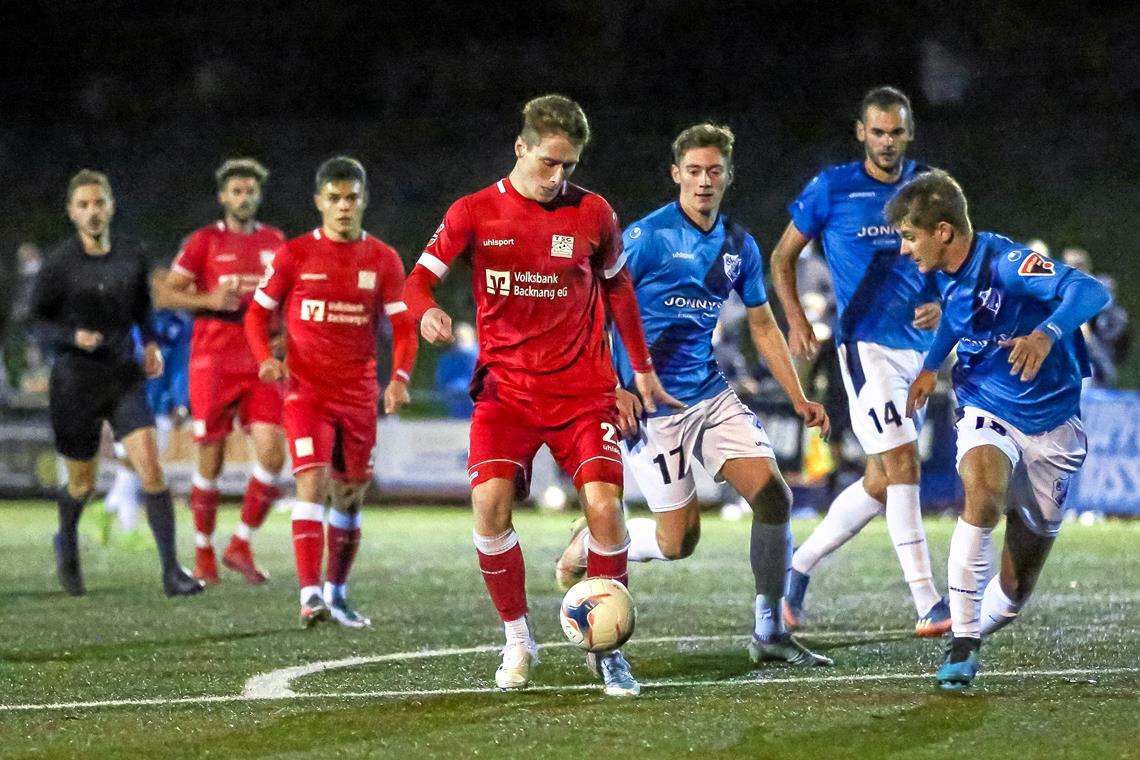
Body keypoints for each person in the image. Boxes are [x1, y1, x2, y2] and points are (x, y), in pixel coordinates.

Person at [403, 94, 680, 697]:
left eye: (571, 166)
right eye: (550, 163)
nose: (560, 178)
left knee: (605, 508)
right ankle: (518, 640)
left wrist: (638, 372)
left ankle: (608, 655)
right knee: (489, 506)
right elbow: (417, 280)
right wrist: (425, 314)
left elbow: (620, 292)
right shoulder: (474, 212)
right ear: (521, 148)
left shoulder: (594, 214)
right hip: (505, 393)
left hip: (583, 392)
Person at [558, 123, 833, 667]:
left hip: (709, 395)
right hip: (650, 407)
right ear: (676, 174)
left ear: (728, 176)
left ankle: (770, 631)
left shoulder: (739, 246)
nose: (704, 181)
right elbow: (593, 308)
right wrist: (613, 386)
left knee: (774, 496)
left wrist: (798, 396)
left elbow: (762, 326)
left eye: (714, 171)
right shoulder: (647, 237)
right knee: (679, 541)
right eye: (694, 171)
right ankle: (587, 542)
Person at [894, 170, 1110, 689]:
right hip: (985, 404)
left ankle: (977, 623)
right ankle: (963, 643)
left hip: (1053, 424)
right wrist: (930, 364)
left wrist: (1046, 332)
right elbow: (959, 316)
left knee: (1015, 590)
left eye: (909, 236)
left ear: (943, 232)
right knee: (983, 494)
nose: (905, 250)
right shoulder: (945, 271)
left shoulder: (1008, 262)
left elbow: (1087, 290)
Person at [769, 86, 950, 637]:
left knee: (879, 481)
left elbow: (957, 258)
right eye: (878, 132)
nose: (887, 142)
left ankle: (796, 570)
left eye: (896, 132)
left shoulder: (931, 188)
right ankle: (928, 602)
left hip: (916, 352)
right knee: (903, 467)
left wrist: (942, 303)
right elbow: (782, 257)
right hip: (863, 347)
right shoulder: (833, 188)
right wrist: (797, 320)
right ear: (861, 133)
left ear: (909, 133)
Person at [245, 156, 417, 628]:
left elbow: (403, 326)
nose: (344, 207)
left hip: (358, 393)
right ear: (319, 202)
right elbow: (256, 314)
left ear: (363, 202)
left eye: (352, 199)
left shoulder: (382, 258)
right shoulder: (294, 255)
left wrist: (399, 378)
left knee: (349, 495)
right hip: (306, 391)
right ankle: (309, 595)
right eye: (335, 199)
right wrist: (265, 357)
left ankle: (337, 593)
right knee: (312, 482)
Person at [31, 169, 202, 597]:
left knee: (152, 470)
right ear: (72, 212)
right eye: (83, 205)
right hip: (75, 382)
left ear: (111, 206)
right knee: (82, 484)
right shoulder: (59, 264)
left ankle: (171, 573)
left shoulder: (131, 255)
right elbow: (37, 323)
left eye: (99, 203)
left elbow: (143, 309)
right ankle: (66, 539)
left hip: (123, 377)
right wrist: (73, 337)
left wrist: (150, 346)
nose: (92, 211)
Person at [155, 158, 288, 585]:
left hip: (261, 359)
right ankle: (204, 557)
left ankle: (240, 545)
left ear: (258, 196)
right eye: (236, 191)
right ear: (223, 196)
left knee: (272, 454)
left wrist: (285, 335)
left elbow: (288, 294)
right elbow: (163, 293)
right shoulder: (204, 241)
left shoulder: (275, 240)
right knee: (209, 459)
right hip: (213, 360)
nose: (243, 198)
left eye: (250, 191)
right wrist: (208, 299)